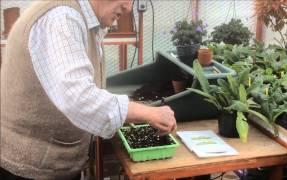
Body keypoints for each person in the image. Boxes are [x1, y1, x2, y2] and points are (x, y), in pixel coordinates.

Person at [0, 0, 177, 179]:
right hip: (30, 167)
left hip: (49, 163)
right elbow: (79, 98)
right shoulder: (62, 18)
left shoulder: (83, 18)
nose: (129, 8)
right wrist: (147, 112)